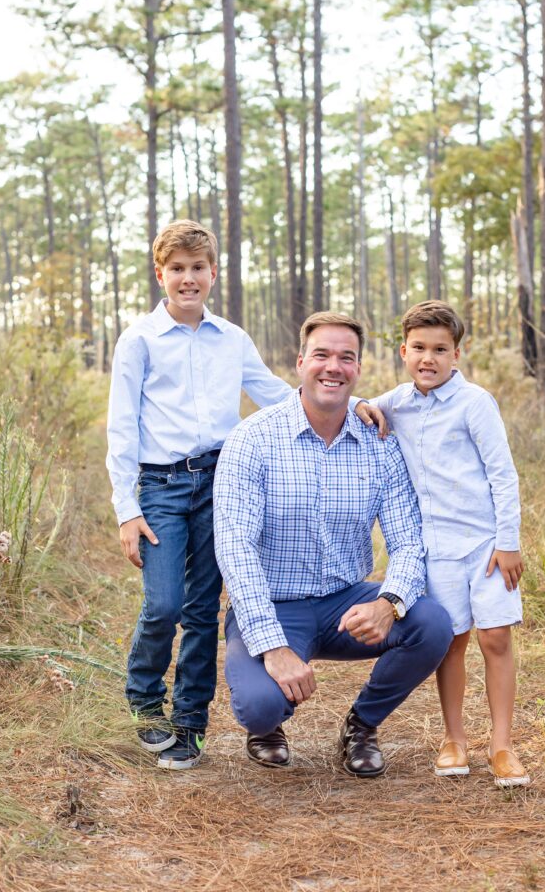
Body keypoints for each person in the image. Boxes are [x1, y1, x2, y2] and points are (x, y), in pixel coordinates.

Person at [106, 221, 386, 771]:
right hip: (161, 485)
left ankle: (189, 722)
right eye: (177, 269)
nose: (189, 278)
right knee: (163, 603)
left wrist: (350, 405)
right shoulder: (138, 340)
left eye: (198, 268)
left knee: (203, 607)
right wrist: (126, 509)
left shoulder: (231, 339)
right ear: (160, 274)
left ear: (213, 274)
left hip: (221, 479)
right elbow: (122, 427)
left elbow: (282, 394)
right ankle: (144, 700)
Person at [212, 311, 453, 777]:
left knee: (432, 622)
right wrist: (273, 647)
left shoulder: (378, 439)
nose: (333, 367)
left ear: (358, 369)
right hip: (274, 603)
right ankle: (267, 727)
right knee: (260, 705)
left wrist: (389, 601)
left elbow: (408, 541)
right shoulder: (253, 439)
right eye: (322, 355)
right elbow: (236, 549)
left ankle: (361, 726)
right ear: (300, 361)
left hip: (345, 601)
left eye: (347, 358)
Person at [371, 300, 529, 788]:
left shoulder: (475, 403)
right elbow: (367, 407)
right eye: (419, 348)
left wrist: (509, 542)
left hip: (484, 544)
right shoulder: (397, 402)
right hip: (434, 547)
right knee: (451, 642)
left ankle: (502, 745)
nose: (429, 358)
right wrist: (362, 405)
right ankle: (454, 738)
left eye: (441, 349)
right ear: (403, 350)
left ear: (456, 354)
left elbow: (502, 474)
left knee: (495, 637)